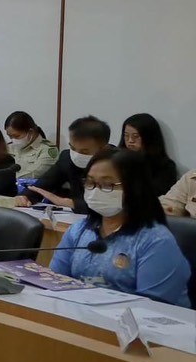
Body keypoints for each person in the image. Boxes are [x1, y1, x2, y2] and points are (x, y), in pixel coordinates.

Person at [50, 149, 191, 307]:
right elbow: (54, 282)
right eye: (90, 183)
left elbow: (153, 307)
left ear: (134, 188)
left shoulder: (156, 241)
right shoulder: (79, 230)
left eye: (107, 184)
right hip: (83, 315)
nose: (95, 191)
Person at [20, 115, 111, 211]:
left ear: (104, 149)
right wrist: (25, 197)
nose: (76, 155)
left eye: (84, 151)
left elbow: (112, 204)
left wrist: (69, 203)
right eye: (72, 148)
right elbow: (44, 183)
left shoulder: (116, 164)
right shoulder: (66, 158)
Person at [120, 113, 179, 196]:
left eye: (136, 136)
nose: (130, 140)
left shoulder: (165, 166)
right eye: (126, 135)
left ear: (149, 137)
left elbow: (156, 194)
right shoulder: (117, 159)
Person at [3, 110, 59, 179]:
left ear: (31, 132)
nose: (13, 140)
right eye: (10, 137)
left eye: (16, 136)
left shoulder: (47, 150)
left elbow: (34, 174)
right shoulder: (9, 147)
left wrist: (4, 179)